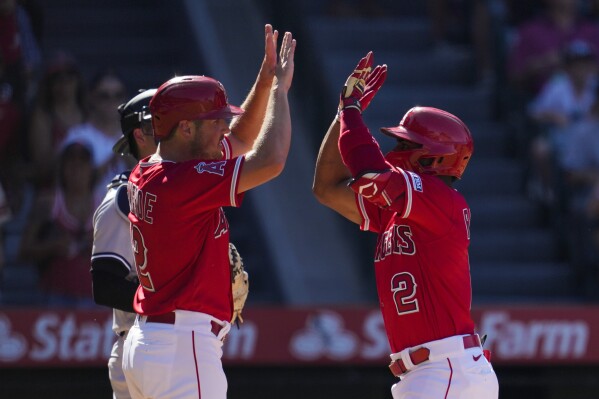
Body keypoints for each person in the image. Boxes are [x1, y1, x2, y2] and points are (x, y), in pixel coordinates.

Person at [121, 24, 295, 399]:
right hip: (182, 347)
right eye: (215, 120)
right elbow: (271, 159)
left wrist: (264, 83)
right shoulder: (182, 181)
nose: (224, 126)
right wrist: (281, 90)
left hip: (153, 341)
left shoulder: (153, 167)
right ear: (184, 127)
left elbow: (243, 139)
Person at [312, 52, 498, 398]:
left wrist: (351, 112)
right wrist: (343, 117)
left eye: (405, 144)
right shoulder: (400, 212)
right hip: (433, 373)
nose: (395, 148)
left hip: (445, 370)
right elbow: (327, 188)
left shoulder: (441, 200)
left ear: (436, 158)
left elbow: (370, 172)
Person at [19, 138, 101, 307]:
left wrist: (98, 246)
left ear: (91, 169)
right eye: (71, 164)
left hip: (94, 296)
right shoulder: (48, 203)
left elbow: (123, 254)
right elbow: (23, 251)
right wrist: (52, 247)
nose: (76, 171)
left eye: (82, 165)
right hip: (55, 295)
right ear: (62, 169)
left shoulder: (104, 204)